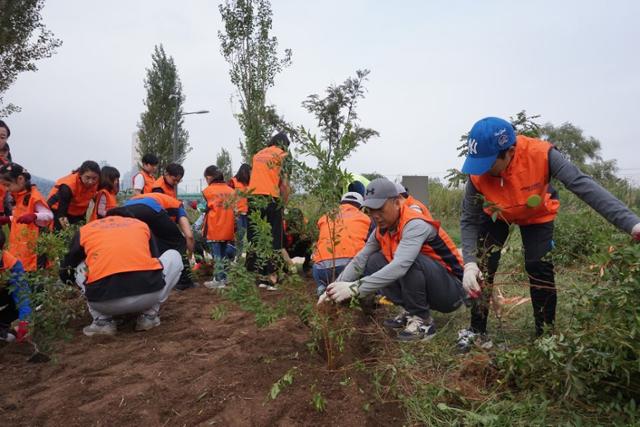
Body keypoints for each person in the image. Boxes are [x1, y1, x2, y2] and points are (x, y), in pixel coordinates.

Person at [457, 117, 640, 350]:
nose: (482, 169)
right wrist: (470, 263)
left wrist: (632, 224)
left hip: (536, 213)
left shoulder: (542, 154)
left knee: (539, 266)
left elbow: (583, 185)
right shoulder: (477, 174)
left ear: (510, 151)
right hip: (496, 213)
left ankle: (546, 336)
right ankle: (477, 330)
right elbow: (469, 218)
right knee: (483, 266)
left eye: (488, 162)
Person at [319, 178, 467, 342]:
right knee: (374, 260)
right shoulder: (382, 229)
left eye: (380, 209)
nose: (375, 215)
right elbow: (360, 259)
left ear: (397, 203)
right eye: (370, 210)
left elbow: (400, 266)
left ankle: (423, 322)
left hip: (452, 291)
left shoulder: (414, 224)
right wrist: (331, 290)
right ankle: (410, 310)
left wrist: (354, 288)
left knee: (409, 262)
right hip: (433, 286)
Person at [59, 215, 183, 336]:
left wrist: (73, 285)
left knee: (80, 266)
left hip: (103, 303)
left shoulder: (86, 230)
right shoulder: (141, 225)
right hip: (149, 295)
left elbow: (67, 267)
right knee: (173, 255)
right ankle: (149, 316)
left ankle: (102, 321)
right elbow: (154, 258)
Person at [107, 192, 196, 290]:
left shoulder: (155, 198)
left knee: (140, 245)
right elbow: (189, 236)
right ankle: (184, 282)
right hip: (150, 208)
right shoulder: (179, 206)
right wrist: (190, 255)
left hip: (125, 211)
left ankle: (129, 279)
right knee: (177, 242)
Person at [246, 132, 291, 290]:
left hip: (253, 199)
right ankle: (273, 278)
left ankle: (259, 276)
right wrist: (283, 205)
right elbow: (284, 185)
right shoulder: (283, 155)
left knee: (257, 238)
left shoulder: (257, 155)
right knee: (274, 238)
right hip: (271, 199)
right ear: (285, 145)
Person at [312, 192, 372, 296]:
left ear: (340, 204)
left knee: (316, 260)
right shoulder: (366, 219)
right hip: (351, 268)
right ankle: (357, 291)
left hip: (322, 270)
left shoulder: (324, 218)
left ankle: (321, 287)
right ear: (361, 207)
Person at [0, 163, 53, 271]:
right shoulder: (18, 197)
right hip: (20, 246)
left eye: (7, 185)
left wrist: (34, 216)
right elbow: (20, 217)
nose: (5, 189)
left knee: (34, 279)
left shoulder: (34, 197)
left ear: (20, 179)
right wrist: (7, 219)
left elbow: (49, 215)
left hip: (33, 249)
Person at [201, 166, 236, 289]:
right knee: (224, 254)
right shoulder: (231, 190)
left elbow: (203, 207)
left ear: (209, 177)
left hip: (215, 226)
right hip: (228, 226)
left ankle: (218, 279)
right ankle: (225, 278)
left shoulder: (208, 191)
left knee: (217, 255)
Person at [47, 160, 100, 230]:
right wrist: (68, 233)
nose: (91, 182)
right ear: (80, 174)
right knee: (60, 234)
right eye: (87, 178)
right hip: (57, 209)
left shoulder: (97, 182)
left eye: (94, 178)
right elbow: (61, 216)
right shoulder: (68, 187)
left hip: (78, 212)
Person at [0, 231, 32, 343]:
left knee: (35, 291)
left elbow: (22, 295)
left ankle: (2, 324)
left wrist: (25, 321)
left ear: (3, 248)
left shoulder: (11, 263)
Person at [228, 163, 251, 258]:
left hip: (248, 214)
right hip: (237, 214)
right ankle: (235, 257)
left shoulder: (250, 183)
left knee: (246, 237)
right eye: (250, 172)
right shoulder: (233, 182)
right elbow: (227, 197)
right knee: (239, 237)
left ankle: (240, 257)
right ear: (244, 172)